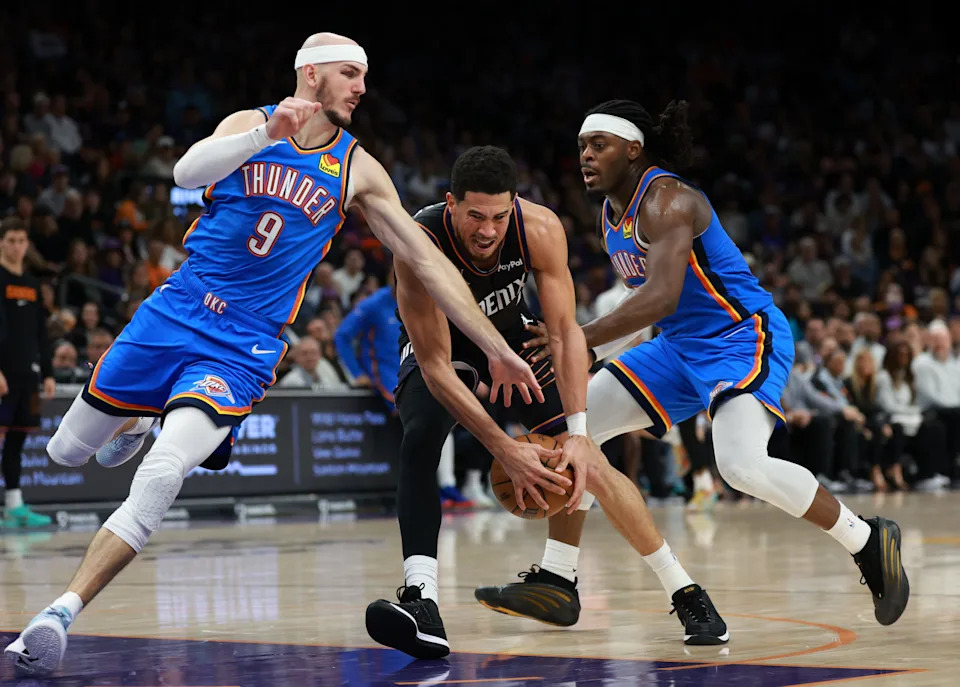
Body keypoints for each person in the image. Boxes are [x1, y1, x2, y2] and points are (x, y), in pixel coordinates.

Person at [4, 33, 543, 678]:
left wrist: (494, 345)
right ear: (311, 74)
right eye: (351, 74)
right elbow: (184, 174)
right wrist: (266, 135)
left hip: (245, 344)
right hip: (176, 309)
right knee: (67, 451)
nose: (362, 87)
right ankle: (141, 417)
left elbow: (426, 261)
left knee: (165, 472)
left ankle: (60, 612)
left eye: (364, 77)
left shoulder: (358, 169)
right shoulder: (247, 125)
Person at [507, 98, 908, 632]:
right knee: (567, 439)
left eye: (598, 146)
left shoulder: (668, 200)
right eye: (581, 146)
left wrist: (577, 340)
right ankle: (558, 580)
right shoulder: (609, 213)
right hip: (676, 346)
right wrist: (583, 358)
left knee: (739, 466)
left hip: (741, 336)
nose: (585, 156)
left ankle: (866, 539)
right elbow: (646, 313)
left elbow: (662, 297)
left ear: (634, 150)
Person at [365, 146, 727, 661]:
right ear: (450, 204)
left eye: (497, 216)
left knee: (589, 457)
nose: (487, 230)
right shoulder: (418, 242)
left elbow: (562, 331)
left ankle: (685, 590)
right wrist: (504, 449)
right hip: (446, 348)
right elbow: (438, 368)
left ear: (514, 205)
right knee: (420, 436)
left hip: (516, 339)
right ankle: (421, 598)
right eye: (474, 216)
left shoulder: (538, 227)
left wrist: (578, 434)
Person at [0, 217, 56, 528]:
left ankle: (14, 505)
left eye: (22, 241)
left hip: (26, 375)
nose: (17, 246)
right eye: (11, 240)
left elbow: (40, 333)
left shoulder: (33, 285)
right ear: (1, 242)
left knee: (18, 441)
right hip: (2, 375)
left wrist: (47, 372)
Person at [333, 263, 401, 412]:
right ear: (389, 276)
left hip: (412, 372)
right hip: (385, 376)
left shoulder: (419, 302)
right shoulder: (373, 305)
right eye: (395, 273)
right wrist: (357, 373)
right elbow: (342, 336)